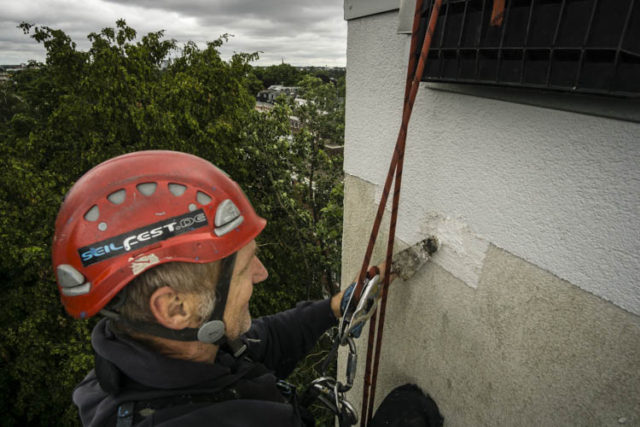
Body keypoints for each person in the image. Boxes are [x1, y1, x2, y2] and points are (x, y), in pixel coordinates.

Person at [53, 150, 390, 426]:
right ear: (175, 308)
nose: (262, 274)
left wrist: (334, 307)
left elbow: (261, 341)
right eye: (245, 268)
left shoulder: (157, 360)